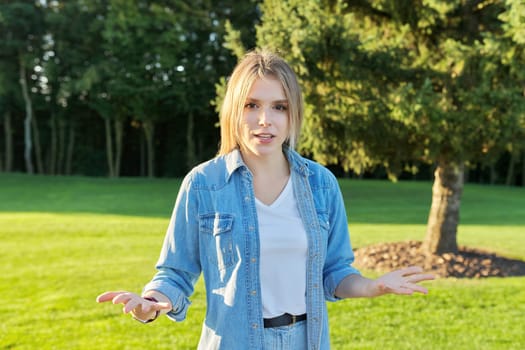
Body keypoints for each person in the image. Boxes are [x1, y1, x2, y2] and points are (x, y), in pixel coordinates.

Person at [97, 49, 434, 350]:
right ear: (233, 111)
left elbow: (335, 272)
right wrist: (151, 303)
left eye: (279, 107)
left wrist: (373, 286)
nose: (265, 120)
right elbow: (174, 274)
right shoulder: (202, 185)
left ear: (293, 114)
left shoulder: (321, 185)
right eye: (252, 105)